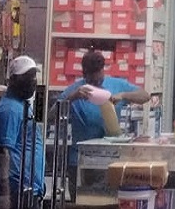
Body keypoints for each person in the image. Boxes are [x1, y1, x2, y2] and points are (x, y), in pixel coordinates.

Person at [58, 51, 151, 200]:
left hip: (111, 159)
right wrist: (73, 98)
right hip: (81, 161)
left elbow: (145, 96)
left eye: (100, 80)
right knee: (83, 202)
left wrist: (124, 95)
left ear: (103, 70)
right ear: (84, 74)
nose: (97, 84)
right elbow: (52, 115)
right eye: (93, 82)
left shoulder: (116, 85)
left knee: (111, 202)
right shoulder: (76, 90)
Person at [0, 55, 45, 209]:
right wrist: (4, 194)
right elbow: (2, 153)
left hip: (26, 190)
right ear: (13, 80)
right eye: (27, 77)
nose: (32, 81)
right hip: (15, 192)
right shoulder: (10, 109)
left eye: (34, 76)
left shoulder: (21, 106)